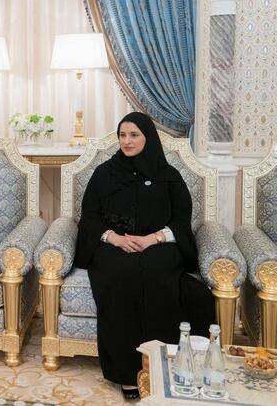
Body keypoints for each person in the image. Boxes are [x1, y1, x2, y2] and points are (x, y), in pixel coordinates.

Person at [74, 112, 215, 399]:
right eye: (122, 135)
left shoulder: (169, 176)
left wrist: (153, 238)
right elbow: (89, 216)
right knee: (121, 275)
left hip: (159, 245)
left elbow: (181, 219)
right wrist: (113, 238)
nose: (127, 141)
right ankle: (127, 373)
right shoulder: (104, 173)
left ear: (148, 137)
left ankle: (164, 364)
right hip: (114, 245)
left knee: (156, 274)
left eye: (134, 135)